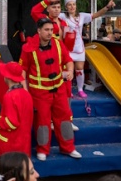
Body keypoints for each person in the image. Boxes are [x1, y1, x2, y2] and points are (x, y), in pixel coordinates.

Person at [19, 18, 81, 161]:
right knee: (42, 122)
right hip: (39, 93)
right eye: (46, 30)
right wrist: (25, 90)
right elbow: (22, 70)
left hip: (58, 90)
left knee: (65, 119)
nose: (49, 33)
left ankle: (68, 148)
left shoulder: (58, 44)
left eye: (51, 30)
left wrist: (70, 71)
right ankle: (42, 150)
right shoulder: (28, 48)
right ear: (39, 30)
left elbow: (68, 60)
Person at [59, 0, 115, 98]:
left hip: (79, 47)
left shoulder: (82, 16)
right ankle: (68, 90)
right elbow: (52, 15)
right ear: (66, 7)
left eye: (74, 4)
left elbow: (95, 15)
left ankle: (80, 90)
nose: (72, 7)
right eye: (69, 5)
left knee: (80, 69)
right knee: (68, 70)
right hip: (67, 48)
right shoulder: (62, 16)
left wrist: (107, 7)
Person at [0, 62, 33, 156]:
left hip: (11, 146)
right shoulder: (26, 94)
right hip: (24, 145)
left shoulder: (10, 96)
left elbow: (12, 123)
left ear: (7, 77)